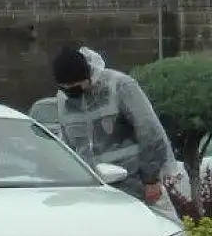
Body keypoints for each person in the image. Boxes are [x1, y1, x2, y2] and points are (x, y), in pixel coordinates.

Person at [50, 44, 176, 210]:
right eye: (65, 89)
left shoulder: (119, 85)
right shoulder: (63, 99)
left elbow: (149, 130)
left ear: (88, 76)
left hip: (136, 185)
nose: (72, 93)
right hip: (93, 193)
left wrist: (151, 180)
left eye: (75, 87)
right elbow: (68, 145)